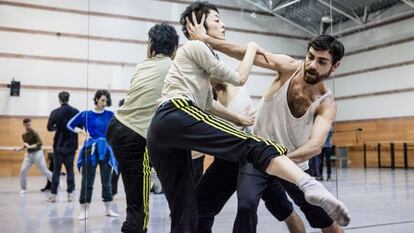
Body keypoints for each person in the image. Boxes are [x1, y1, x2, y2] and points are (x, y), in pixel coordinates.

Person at [146, 2, 349, 232]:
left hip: (290, 160)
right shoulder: (288, 67)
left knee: (316, 219)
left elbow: (315, 145)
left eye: (321, 62)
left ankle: (307, 185)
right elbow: (246, 58)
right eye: (310, 57)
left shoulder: (326, 104)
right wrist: (211, 41)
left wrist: (278, 161)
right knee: (246, 206)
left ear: (335, 66)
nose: (311, 65)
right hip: (255, 155)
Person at [196, 82, 306, 233]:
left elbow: (233, 75)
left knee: (283, 211)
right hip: (226, 162)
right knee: (199, 208)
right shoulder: (205, 99)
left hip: (253, 159)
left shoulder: (229, 84)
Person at [106, 23, 179, 233]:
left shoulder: (142, 66)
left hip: (117, 126)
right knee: (140, 209)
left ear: (150, 48)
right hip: (135, 136)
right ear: (174, 49)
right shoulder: (174, 68)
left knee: (135, 200)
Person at [67, 90, 118, 220]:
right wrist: (81, 132)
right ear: (96, 99)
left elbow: (117, 128)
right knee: (87, 181)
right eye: (102, 100)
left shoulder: (111, 115)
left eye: (106, 100)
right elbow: (70, 125)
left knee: (106, 181)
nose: (104, 103)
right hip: (90, 149)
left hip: (105, 149)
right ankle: (84, 209)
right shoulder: (85, 114)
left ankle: (108, 208)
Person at [47, 91, 79, 202]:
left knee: (56, 171)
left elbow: (49, 128)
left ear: (59, 99)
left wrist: (58, 127)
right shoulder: (75, 112)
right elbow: (79, 127)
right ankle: (70, 194)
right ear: (68, 99)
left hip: (59, 146)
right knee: (70, 170)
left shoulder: (55, 112)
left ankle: (53, 195)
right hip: (71, 146)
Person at [15, 118, 52, 194]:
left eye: (29, 124)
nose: (28, 126)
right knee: (23, 170)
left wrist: (29, 146)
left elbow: (40, 143)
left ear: (30, 124)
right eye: (26, 125)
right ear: (24, 125)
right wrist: (19, 149)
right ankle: (23, 188)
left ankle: (57, 182)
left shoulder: (34, 133)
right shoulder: (24, 135)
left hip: (38, 153)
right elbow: (26, 145)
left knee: (44, 170)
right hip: (29, 155)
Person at [111, 98, 125, 197]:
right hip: (119, 148)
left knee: (117, 171)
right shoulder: (116, 117)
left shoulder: (115, 118)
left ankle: (113, 191)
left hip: (119, 148)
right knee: (117, 171)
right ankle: (113, 190)